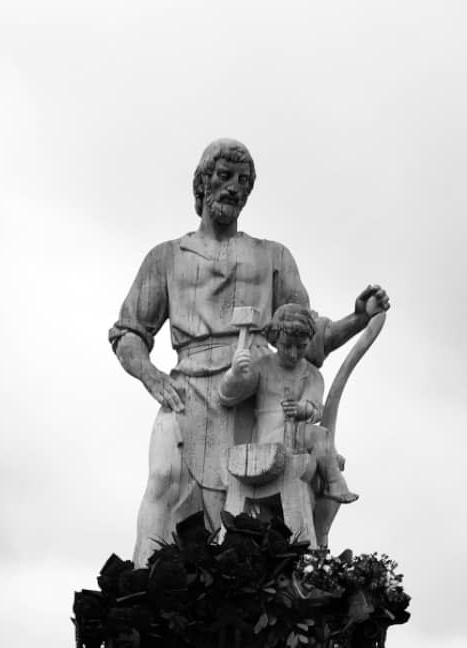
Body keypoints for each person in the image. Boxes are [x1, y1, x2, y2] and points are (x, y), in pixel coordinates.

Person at [109, 138, 388, 564]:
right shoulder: (165, 258)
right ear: (202, 184)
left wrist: (355, 318)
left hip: (254, 394)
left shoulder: (272, 256)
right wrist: (152, 376)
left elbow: (305, 335)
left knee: (248, 517)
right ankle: (141, 580)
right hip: (186, 388)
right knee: (164, 478)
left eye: (243, 182)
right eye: (223, 177)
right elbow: (128, 333)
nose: (233, 189)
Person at [218, 303, 357, 504]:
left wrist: (303, 408)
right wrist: (235, 374)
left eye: (301, 347)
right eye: (287, 346)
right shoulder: (262, 367)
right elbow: (228, 396)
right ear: (275, 340)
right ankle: (334, 482)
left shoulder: (312, 375)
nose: (293, 353)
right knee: (319, 435)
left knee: (320, 438)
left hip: (297, 439)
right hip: (268, 441)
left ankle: (329, 484)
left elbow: (316, 409)